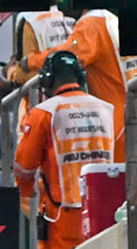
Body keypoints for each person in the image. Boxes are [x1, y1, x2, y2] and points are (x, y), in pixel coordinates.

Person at [13, 51, 116, 249]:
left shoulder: (43, 113)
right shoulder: (107, 109)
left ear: (47, 80)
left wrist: (25, 192)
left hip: (62, 213)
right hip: (103, 209)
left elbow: (24, 165)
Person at [12, 8, 127, 158]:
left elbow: (66, 54)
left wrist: (30, 61)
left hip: (116, 122)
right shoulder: (110, 19)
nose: (59, 8)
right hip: (124, 113)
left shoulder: (92, 23)